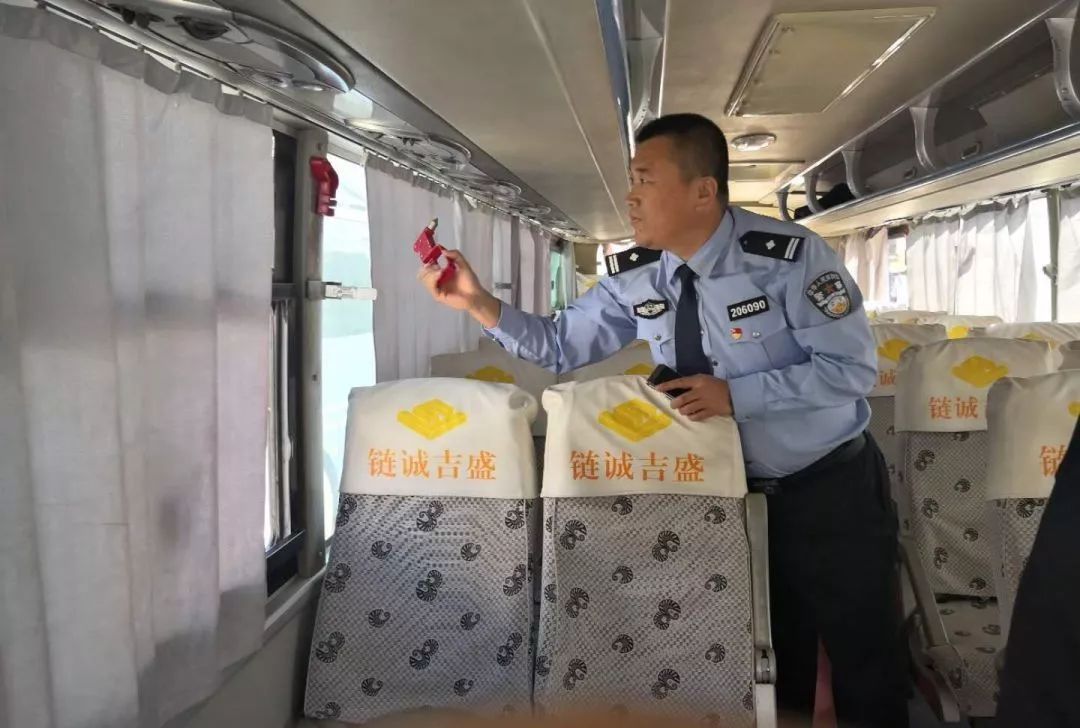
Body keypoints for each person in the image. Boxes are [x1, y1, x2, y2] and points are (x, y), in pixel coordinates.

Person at [419, 113, 907, 727]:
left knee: (866, 653)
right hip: (723, 497)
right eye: (630, 181)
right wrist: (478, 302)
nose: (630, 197)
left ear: (703, 190)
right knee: (771, 653)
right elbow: (559, 345)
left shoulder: (790, 259)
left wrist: (737, 395)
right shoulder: (636, 276)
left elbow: (851, 370)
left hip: (828, 488)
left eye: (645, 180)